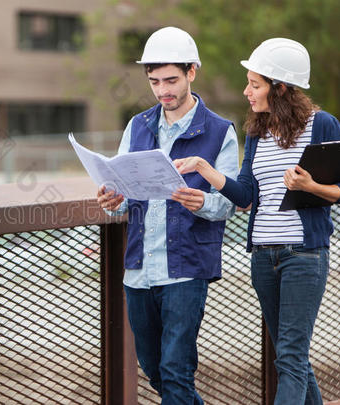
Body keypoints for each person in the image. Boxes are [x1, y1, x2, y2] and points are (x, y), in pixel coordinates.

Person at [174, 38, 340, 404]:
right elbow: (245, 195)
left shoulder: (321, 125)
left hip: (304, 257)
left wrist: (312, 185)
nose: (247, 92)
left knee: (290, 359)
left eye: (254, 84)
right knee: (293, 359)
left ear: (282, 88)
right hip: (263, 258)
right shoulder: (257, 133)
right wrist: (203, 168)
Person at [96, 26, 239, 404]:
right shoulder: (137, 126)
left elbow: (230, 202)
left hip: (186, 267)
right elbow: (126, 190)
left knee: (176, 371)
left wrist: (202, 202)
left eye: (171, 80)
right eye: (155, 81)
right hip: (139, 269)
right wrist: (115, 199)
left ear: (192, 72)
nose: (163, 91)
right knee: (156, 370)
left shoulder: (221, 131)